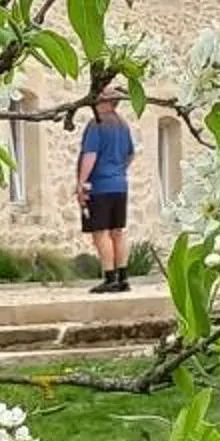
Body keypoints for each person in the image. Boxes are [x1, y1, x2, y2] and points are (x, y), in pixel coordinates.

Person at [75, 87, 136, 293]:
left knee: (101, 233)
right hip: (120, 185)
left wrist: (81, 183)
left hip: (99, 186)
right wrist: (118, 171)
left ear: (105, 102)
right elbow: (130, 155)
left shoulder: (97, 124)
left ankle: (109, 278)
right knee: (118, 231)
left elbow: (90, 155)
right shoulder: (123, 125)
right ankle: (123, 276)